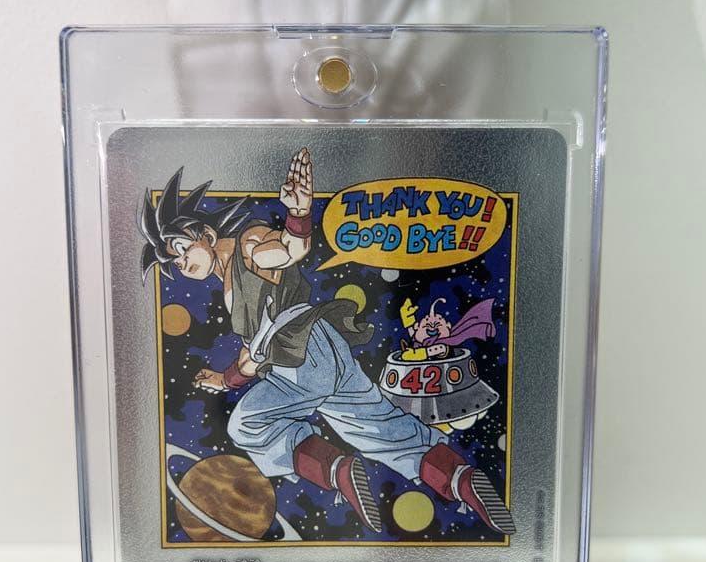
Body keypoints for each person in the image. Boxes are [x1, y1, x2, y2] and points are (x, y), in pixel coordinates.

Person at [140, 148, 515, 534]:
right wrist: (224, 379)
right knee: (380, 428)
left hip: (300, 356)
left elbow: (287, 250)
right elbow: (253, 356)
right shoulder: (228, 282)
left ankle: (336, 469)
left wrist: (299, 214)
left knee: (247, 424)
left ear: (205, 234)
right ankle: (460, 479)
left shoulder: (247, 247)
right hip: (324, 348)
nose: (181, 264)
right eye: (174, 264)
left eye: (181, 250)